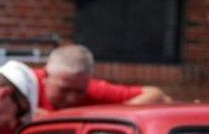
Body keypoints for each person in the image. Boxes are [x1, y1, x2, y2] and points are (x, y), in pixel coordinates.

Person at [35, 43, 170, 113]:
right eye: (64, 90)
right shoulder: (27, 83)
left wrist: (111, 116)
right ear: (45, 76)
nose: (72, 98)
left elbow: (154, 94)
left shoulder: (94, 90)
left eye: (80, 91)